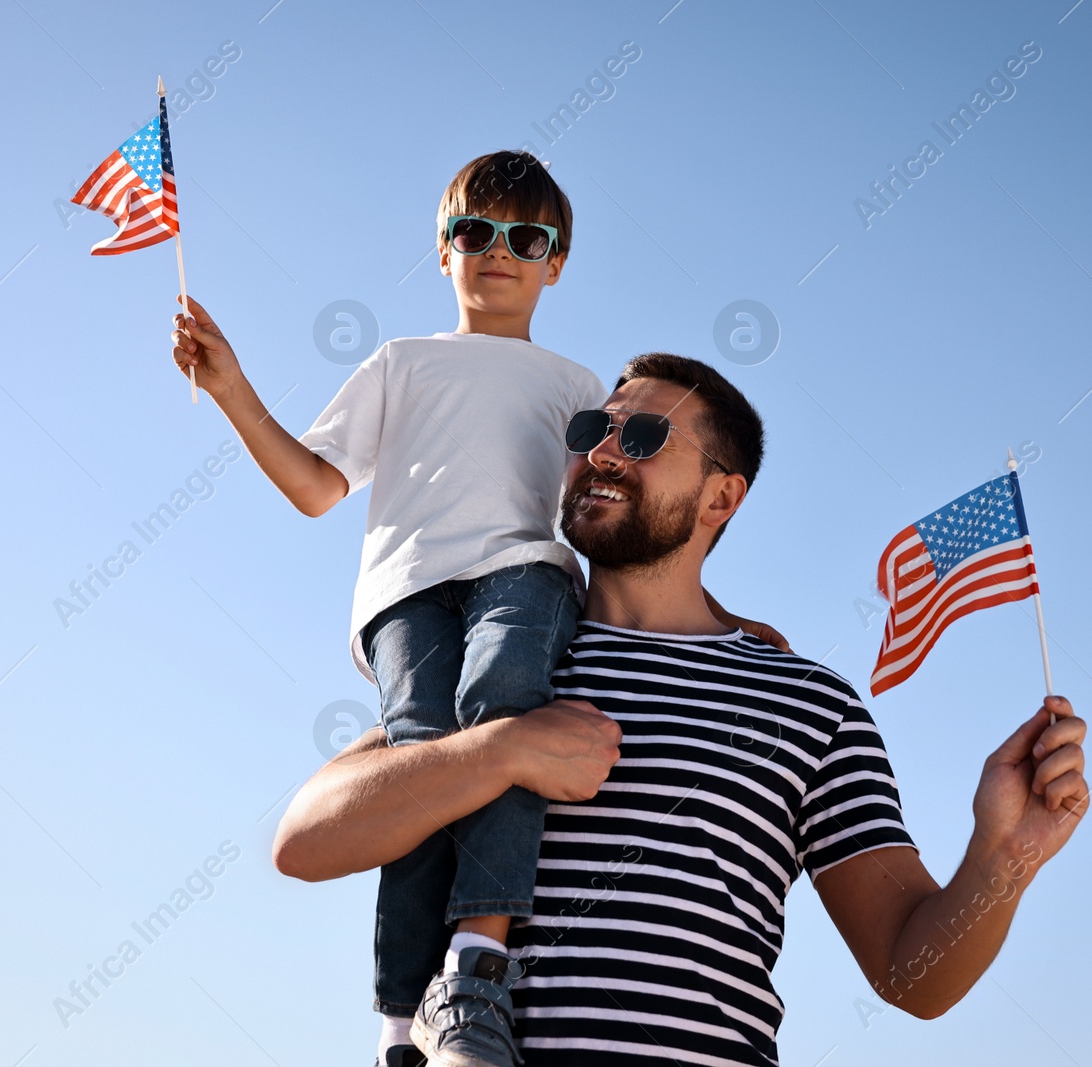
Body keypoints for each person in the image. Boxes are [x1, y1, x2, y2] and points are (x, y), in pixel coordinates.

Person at [273, 353, 1091, 1065]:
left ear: (720, 499)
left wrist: (1003, 858)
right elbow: (304, 839)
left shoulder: (809, 704)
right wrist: (502, 750)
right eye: (593, 426)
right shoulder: (502, 666)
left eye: (642, 438)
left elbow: (912, 975)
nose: (600, 449)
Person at [171, 154, 777, 1067]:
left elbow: (618, 508)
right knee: (424, 763)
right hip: (407, 589)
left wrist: (726, 619)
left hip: (523, 571)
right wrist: (231, 393)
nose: (500, 251)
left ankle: (478, 965)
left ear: (557, 263)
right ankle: (399, 1018)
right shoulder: (400, 362)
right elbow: (314, 486)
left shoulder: (579, 388)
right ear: (442, 248)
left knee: (506, 710)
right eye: (475, 232)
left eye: (527, 238)